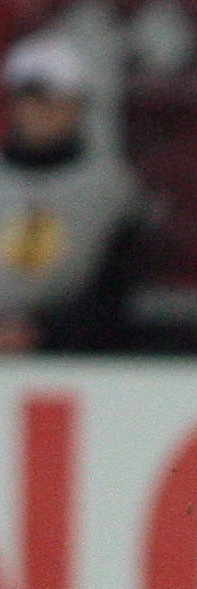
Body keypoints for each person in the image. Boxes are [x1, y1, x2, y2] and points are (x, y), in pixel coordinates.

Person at [0, 35, 145, 355]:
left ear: (77, 107)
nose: (44, 112)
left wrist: (46, 332)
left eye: (57, 101)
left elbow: (118, 282)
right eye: (34, 99)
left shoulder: (111, 188)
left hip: (74, 351)